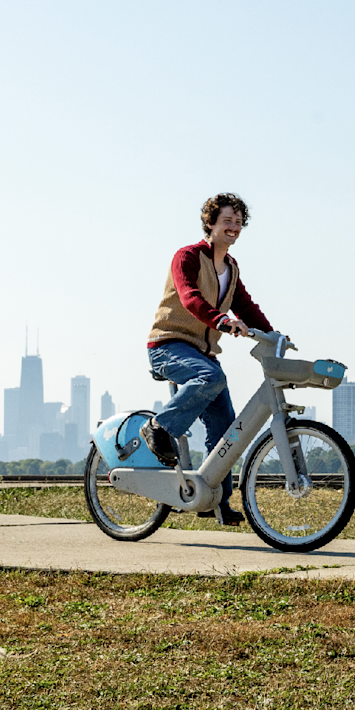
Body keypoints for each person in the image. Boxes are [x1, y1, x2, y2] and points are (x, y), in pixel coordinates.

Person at [143, 192, 275, 526]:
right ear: (211, 224)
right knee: (211, 378)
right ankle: (158, 427)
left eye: (238, 222)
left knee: (227, 427)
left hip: (202, 353)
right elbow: (190, 297)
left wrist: (274, 335)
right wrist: (219, 320)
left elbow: (245, 307)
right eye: (227, 221)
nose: (234, 227)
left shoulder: (230, 267)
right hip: (168, 345)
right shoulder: (186, 257)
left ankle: (215, 502)